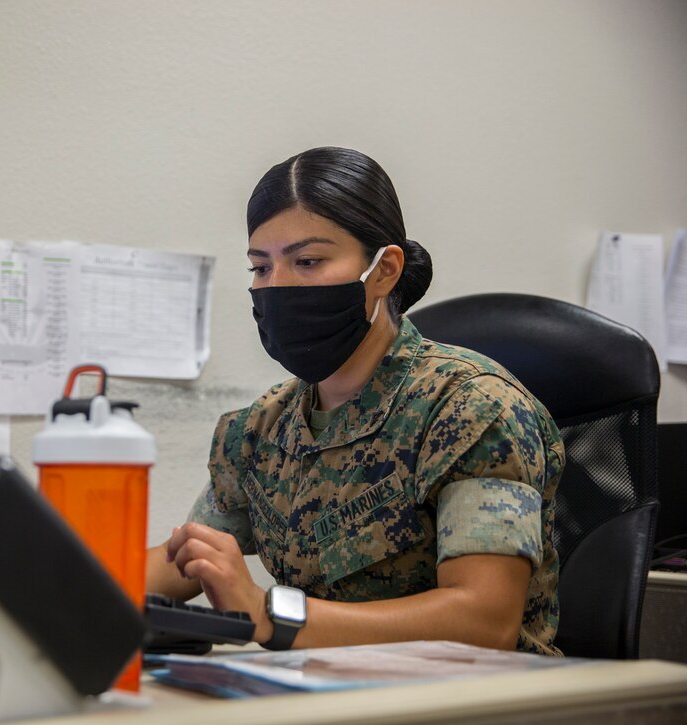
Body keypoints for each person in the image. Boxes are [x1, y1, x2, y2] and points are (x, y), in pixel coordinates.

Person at [146, 146, 562, 656]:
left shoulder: (470, 409)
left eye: (308, 261)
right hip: (327, 694)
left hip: (471, 703)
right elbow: (179, 564)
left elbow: (482, 620)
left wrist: (268, 613)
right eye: (260, 267)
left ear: (384, 271)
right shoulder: (263, 429)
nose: (277, 287)